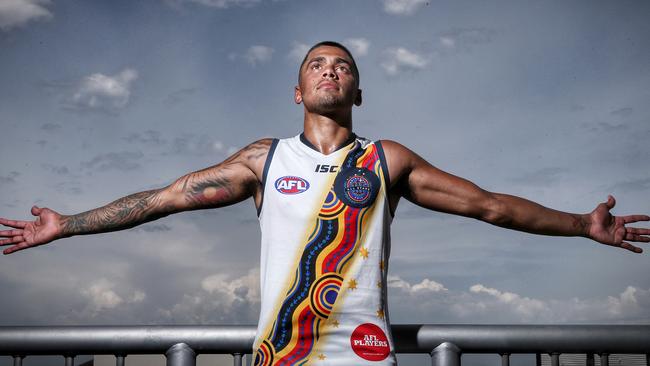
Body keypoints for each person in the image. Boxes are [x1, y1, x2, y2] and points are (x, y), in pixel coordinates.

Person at [1, 41, 648, 365]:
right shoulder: (264, 160)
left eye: (342, 66)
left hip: (365, 358)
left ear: (358, 91)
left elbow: (488, 207)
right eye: (317, 64)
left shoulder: (386, 161)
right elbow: (164, 199)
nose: (330, 70)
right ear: (297, 89)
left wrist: (580, 225)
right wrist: (67, 226)